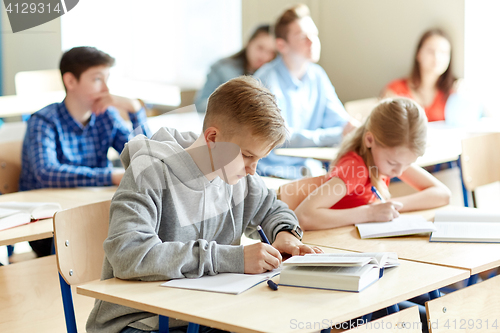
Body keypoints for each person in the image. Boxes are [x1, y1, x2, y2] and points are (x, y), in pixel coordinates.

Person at [86, 76, 322, 333]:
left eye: (259, 158)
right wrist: (232, 258)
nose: (253, 170)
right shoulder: (149, 172)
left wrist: (286, 234)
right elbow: (129, 254)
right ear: (212, 137)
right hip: (140, 321)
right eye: (247, 156)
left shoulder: (237, 177)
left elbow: (273, 208)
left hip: (203, 315)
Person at [19, 46, 151, 258]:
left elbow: (145, 159)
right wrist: (111, 176)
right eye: (97, 79)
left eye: (107, 78)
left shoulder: (107, 116)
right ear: (70, 81)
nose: (106, 88)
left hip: (95, 214)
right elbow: (46, 172)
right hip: (50, 227)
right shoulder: (43, 121)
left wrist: (135, 110)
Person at [294, 98, 451, 230]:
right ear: (370, 140)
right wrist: (369, 213)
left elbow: (443, 194)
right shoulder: (356, 168)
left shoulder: (392, 158)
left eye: (408, 163)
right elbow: (304, 216)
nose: (399, 172)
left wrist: (390, 206)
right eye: (393, 163)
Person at [254, 4, 357, 179]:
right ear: (282, 45)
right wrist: (336, 135)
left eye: (314, 35)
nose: (313, 42)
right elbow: (281, 136)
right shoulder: (265, 80)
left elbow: (340, 122)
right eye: (303, 37)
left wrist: (353, 128)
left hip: (309, 171)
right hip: (273, 173)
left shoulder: (317, 75)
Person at [194, 24, 276, 113]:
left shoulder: (272, 74)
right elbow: (200, 105)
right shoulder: (222, 68)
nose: (264, 56)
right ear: (249, 43)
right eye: (260, 48)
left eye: (271, 52)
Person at [381, 29, 457, 122]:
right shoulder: (395, 90)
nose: (437, 57)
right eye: (430, 51)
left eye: (443, 52)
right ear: (419, 54)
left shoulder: (454, 92)